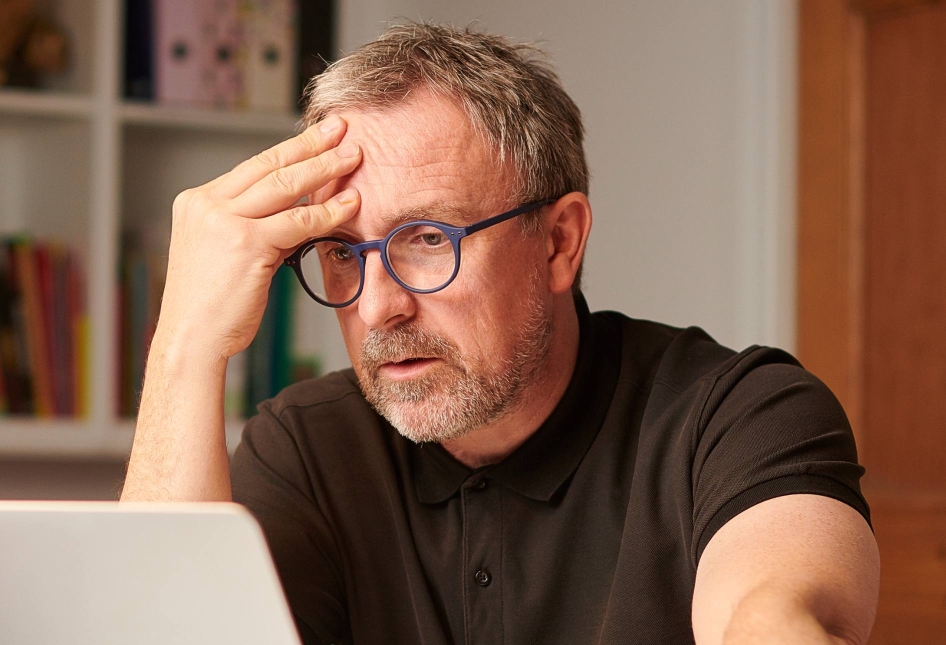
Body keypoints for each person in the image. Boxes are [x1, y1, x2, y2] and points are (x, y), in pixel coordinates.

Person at [121, 22, 879, 645]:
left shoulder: (738, 417)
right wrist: (184, 343)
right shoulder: (309, 447)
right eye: (344, 253)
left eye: (426, 238)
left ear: (558, 242)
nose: (379, 306)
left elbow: (771, 618)